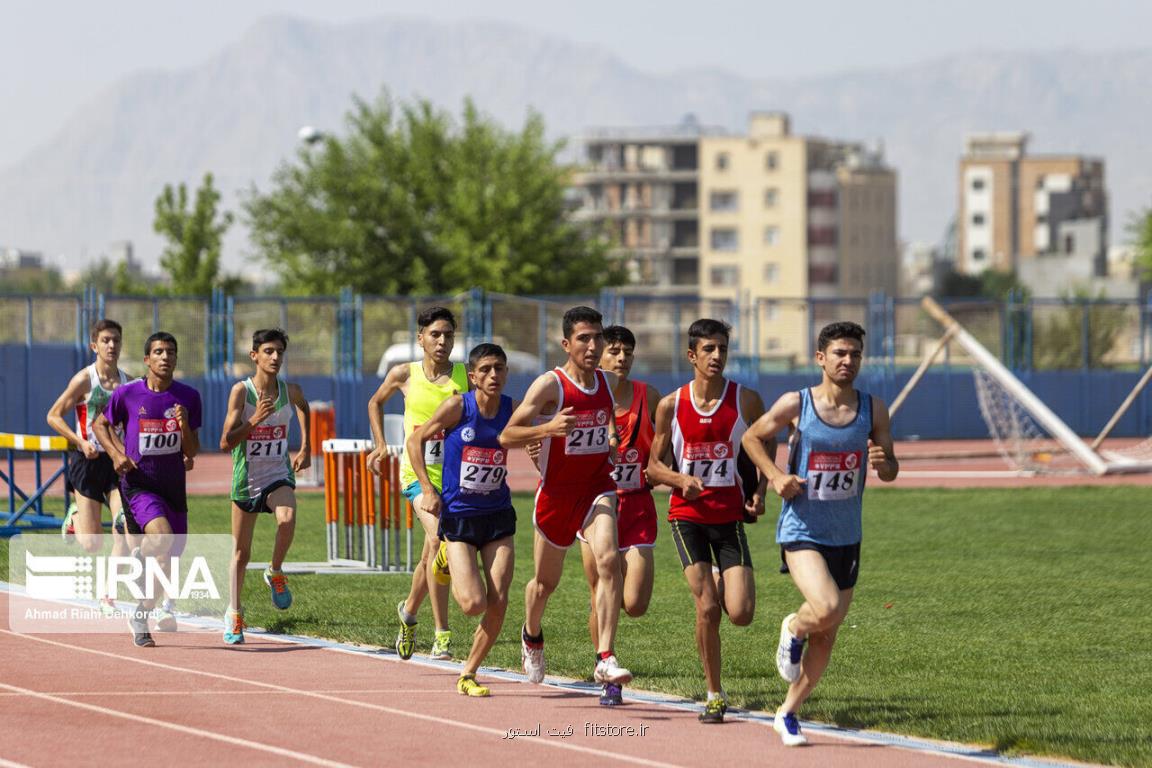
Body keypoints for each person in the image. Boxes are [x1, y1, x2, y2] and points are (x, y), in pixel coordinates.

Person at [741, 321, 899, 747]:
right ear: (821, 358)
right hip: (802, 529)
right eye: (840, 354)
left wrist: (884, 462)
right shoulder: (798, 404)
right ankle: (793, 627)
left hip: (847, 534)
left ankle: (787, 713)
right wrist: (774, 476)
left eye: (855, 355)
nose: (848, 361)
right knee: (825, 608)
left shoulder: (873, 409)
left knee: (828, 632)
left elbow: (890, 469)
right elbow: (751, 437)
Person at [499, 305, 632, 688]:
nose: (593, 346)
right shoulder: (550, 386)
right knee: (544, 584)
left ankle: (605, 656)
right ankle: (532, 634)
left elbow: (605, 418)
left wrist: (609, 440)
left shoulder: (607, 384)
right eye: (584, 339)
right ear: (566, 343)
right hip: (556, 495)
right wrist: (548, 429)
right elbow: (508, 435)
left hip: (597, 488)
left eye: (597, 338)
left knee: (609, 561)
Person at [647, 318, 768, 724]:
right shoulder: (670, 405)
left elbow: (765, 446)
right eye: (709, 350)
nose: (717, 357)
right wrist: (680, 479)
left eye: (722, 349)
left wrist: (760, 491)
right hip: (688, 518)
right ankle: (714, 694)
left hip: (729, 517)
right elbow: (652, 468)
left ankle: (720, 576)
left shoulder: (746, 400)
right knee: (708, 608)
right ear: (691, 355)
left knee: (742, 613)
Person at [407, 343, 517, 697]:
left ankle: (468, 672)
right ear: (472, 376)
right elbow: (415, 441)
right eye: (485, 370)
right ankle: (441, 558)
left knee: (499, 600)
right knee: (473, 605)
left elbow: (531, 434)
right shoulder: (459, 406)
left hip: (498, 515)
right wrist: (427, 488)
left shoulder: (511, 410)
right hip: (460, 517)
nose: (493, 376)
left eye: (499, 369)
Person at [367, 307, 468, 661]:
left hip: (457, 481)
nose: (442, 342)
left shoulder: (465, 376)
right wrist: (381, 444)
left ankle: (409, 613)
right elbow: (375, 402)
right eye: (436, 335)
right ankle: (442, 633)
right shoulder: (404, 374)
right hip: (417, 478)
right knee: (439, 538)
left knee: (431, 556)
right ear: (421, 337)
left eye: (449, 335)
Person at [93, 332, 202, 648]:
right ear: (146, 360)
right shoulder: (128, 395)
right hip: (139, 485)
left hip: (173, 487)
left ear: (176, 359)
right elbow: (100, 425)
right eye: (158, 352)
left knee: (168, 563)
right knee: (163, 538)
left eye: (171, 351)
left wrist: (182, 425)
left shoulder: (189, 397)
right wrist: (115, 454)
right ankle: (140, 552)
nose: (165, 357)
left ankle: (141, 614)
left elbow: (192, 451)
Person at [580, 325, 660, 706]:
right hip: (596, 507)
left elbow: (666, 449)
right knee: (601, 589)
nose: (621, 357)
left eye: (628, 351)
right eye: (614, 350)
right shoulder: (584, 396)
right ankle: (606, 672)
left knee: (636, 604)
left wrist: (664, 468)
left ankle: (604, 641)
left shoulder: (650, 397)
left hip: (638, 507)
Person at [218, 328, 312, 645]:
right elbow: (225, 442)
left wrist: (307, 446)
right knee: (241, 554)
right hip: (246, 481)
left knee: (286, 517)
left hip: (277, 475)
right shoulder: (240, 393)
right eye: (269, 351)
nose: (275, 357)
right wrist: (255, 420)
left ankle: (274, 571)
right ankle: (234, 613)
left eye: (280, 352)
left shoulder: (290, 390)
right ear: (254, 355)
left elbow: (304, 406)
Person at [46, 319, 134, 618]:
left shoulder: (129, 383)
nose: (112, 346)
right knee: (92, 544)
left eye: (116, 341)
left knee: (123, 527)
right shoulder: (84, 380)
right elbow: (54, 416)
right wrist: (79, 442)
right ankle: (74, 517)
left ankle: (108, 595)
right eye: (106, 341)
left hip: (116, 464)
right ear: (94, 345)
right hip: (88, 461)